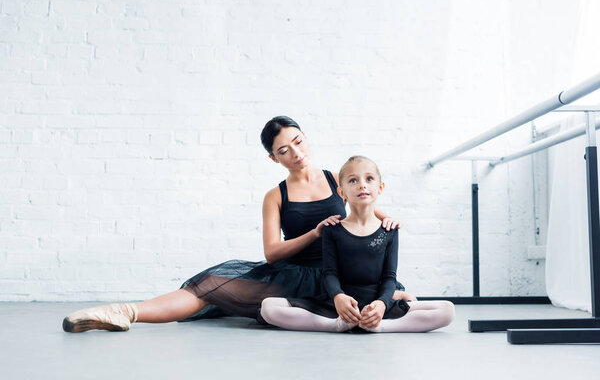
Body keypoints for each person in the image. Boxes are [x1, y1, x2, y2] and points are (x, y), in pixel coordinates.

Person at [62, 117, 413, 333]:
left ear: (305, 137)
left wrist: (389, 218)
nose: (295, 152)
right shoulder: (274, 196)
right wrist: (315, 232)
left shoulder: (336, 178)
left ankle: (388, 298)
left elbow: (367, 208)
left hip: (340, 274)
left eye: (298, 141)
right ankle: (125, 311)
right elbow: (272, 254)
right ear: (273, 158)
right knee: (210, 286)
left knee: (389, 292)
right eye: (284, 149)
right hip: (295, 275)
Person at [260, 156, 455, 333]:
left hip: (376, 303)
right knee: (268, 307)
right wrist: (338, 297)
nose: (362, 185)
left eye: (369, 179)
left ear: (380, 187)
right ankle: (337, 324)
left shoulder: (389, 230)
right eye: (353, 180)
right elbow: (330, 273)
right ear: (341, 192)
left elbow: (389, 277)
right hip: (339, 304)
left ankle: (379, 326)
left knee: (447, 310)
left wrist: (381, 304)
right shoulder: (333, 229)